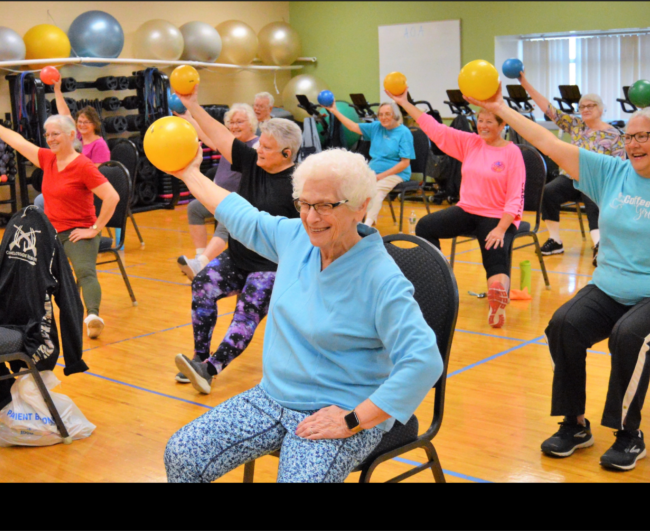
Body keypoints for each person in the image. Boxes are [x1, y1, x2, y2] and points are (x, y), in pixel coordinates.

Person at [465, 86, 650, 471]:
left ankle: (628, 434)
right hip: (611, 285)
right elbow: (549, 143)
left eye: (643, 136)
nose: (633, 144)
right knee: (563, 324)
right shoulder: (610, 172)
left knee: (629, 335)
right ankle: (575, 425)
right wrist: (499, 107)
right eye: (629, 136)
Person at [163, 147, 442, 483]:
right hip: (272, 396)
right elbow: (240, 215)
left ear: (361, 206)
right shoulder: (296, 238)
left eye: (326, 205)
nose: (311, 217)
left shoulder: (382, 278)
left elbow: (424, 361)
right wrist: (189, 173)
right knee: (182, 454)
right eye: (305, 204)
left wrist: (353, 419)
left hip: (338, 410)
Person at [172, 86, 300, 391]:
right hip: (238, 256)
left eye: (266, 148)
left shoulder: (299, 187)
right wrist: (193, 104)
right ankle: (198, 358)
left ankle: (209, 369)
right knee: (202, 285)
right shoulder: (253, 161)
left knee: (246, 315)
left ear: (286, 154)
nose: (258, 150)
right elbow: (218, 135)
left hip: (270, 267)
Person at [386, 89, 525, 329]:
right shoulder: (471, 143)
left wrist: (502, 229)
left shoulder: (512, 153)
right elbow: (435, 128)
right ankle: (438, 280)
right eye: (480, 121)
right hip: (467, 210)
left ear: (502, 125)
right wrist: (404, 103)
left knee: (494, 255)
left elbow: (515, 198)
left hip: (496, 216)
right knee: (425, 226)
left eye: (489, 122)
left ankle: (497, 304)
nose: (482, 126)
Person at [0, 105, 120, 340]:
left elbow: (112, 197)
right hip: (50, 232)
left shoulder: (83, 165)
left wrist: (94, 229)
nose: (50, 139)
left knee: (85, 271)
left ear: (71, 135)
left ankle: (92, 316)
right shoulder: (48, 159)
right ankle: (19, 309)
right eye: (48, 134)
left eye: (56, 134)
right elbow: (18, 142)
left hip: (77, 232)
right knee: (5, 252)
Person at [519, 72, 626, 262]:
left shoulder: (615, 134)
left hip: (596, 181)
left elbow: (620, 166)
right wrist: (524, 83)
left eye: (590, 105)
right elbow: (549, 109)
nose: (585, 109)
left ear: (601, 109)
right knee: (548, 192)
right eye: (582, 106)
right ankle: (555, 240)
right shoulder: (576, 125)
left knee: (592, 197)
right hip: (570, 178)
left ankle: (599, 245)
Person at [176, 104, 260, 280]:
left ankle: (202, 262)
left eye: (239, 122)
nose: (234, 126)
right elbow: (207, 136)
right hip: (216, 197)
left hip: (240, 203)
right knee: (194, 208)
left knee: (226, 218)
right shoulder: (228, 142)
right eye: (231, 122)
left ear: (251, 123)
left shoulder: (256, 145)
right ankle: (199, 257)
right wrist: (189, 119)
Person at [323, 101, 414, 227]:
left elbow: (404, 163)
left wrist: (380, 176)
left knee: (376, 190)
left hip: (396, 173)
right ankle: (348, 221)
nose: (383, 117)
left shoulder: (404, 133)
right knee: (349, 186)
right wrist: (334, 111)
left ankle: (366, 226)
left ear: (395, 115)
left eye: (387, 114)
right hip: (373, 171)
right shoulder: (376, 127)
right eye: (381, 114)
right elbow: (353, 127)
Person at [33, 84, 113, 211]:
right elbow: (65, 114)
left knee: (41, 201)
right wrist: (57, 90)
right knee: (41, 199)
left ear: (95, 124)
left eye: (86, 122)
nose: (82, 125)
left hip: (85, 188)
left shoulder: (100, 145)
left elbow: (98, 173)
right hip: (71, 183)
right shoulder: (77, 136)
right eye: (79, 122)